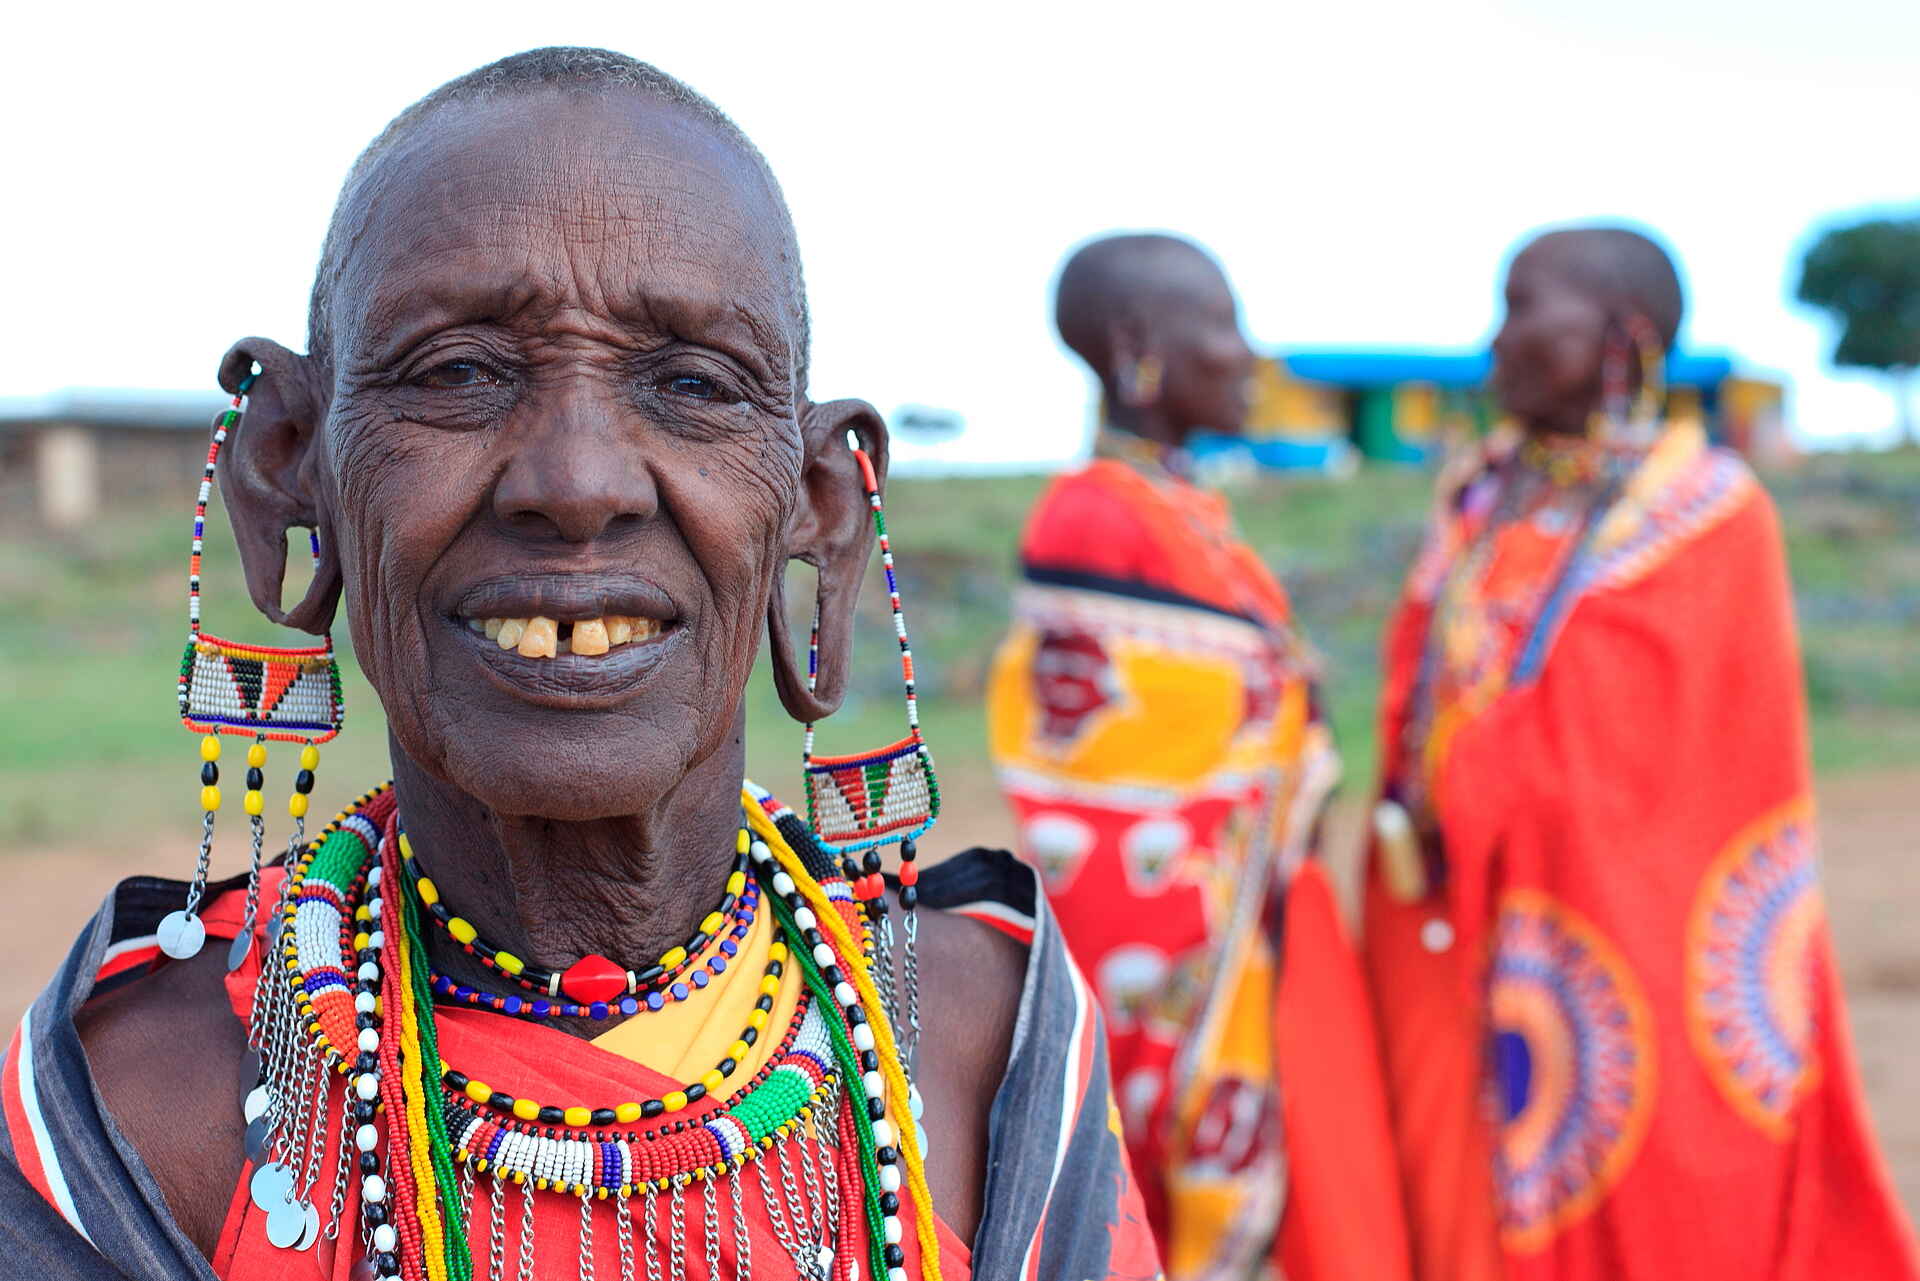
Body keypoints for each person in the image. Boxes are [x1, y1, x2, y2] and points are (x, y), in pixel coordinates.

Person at [0, 48, 1163, 1281]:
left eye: (691, 383)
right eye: (457, 373)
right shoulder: (138, 1114)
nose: (578, 484)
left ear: (819, 508)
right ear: (293, 467)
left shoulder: (986, 1039)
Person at [1363, 224, 1920, 1281]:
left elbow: (1676, 760)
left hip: (1640, 940)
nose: (1498, 341)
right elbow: (1421, 684)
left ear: (1623, 337)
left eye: (1526, 309)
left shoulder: (1708, 514)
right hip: (1455, 925)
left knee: (1663, 1195)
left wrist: (1479, 774)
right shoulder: (1482, 497)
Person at [986, 234, 1408, 1281]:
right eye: (1224, 326)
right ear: (1138, 346)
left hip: (1264, 935)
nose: (1247, 356)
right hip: (1180, 953)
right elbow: (1103, 770)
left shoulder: (1179, 513)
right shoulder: (1093, 515)